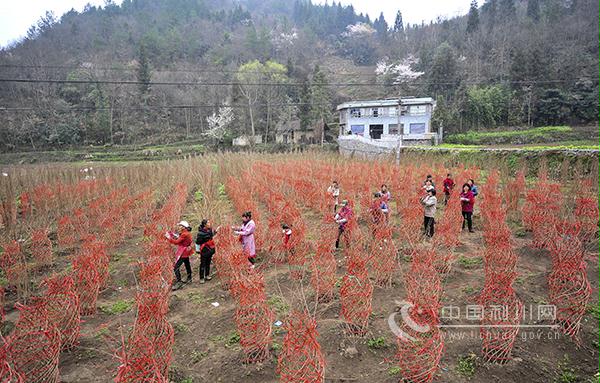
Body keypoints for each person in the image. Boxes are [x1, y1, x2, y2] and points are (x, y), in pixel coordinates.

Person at [166, 220, 194, 290]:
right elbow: (180, 238)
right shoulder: (186, 232)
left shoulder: (184, 234)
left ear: (183, 227)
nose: (178, 227)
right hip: (186, 251)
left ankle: (179, 282)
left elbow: (176, 242)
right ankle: (189, 278)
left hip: (183, 252)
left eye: (180, 226)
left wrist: (169, 238)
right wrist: (173, 235)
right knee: (187, 264)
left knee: (176, 267)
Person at [196, 219, 219, 284]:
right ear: (204, 225)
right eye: (208, 223)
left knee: (208, 263)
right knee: (202, 264)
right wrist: (197, 250)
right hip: (204, 250)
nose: (209, 224)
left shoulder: (210, 230)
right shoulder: (200, 233)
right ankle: (201, 278)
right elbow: (197, 242)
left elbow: (211, 235)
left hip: (210, 249)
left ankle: (207, 275)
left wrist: (216, 231)